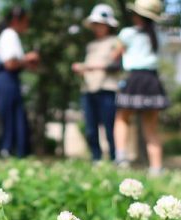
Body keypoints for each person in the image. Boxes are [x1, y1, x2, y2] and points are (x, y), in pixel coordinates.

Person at [113, 0, 168, 174]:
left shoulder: (127, 33)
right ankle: (156, 169)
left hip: (134, 79)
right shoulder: (160, 36)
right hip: (152, 80)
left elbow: (116, 54)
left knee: (122, 118)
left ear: (137, 15)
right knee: (151, 128)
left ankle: (121, 158)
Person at [72, 4, 121, 163]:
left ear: (108, 25)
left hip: (107, 89)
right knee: (91, 128)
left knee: (110, 127)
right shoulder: (91, 46)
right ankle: (96, 158)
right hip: (89, 89)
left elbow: (117, 65)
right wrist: (82, 69)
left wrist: (92, 67)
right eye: (96, 24)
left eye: (100, 24)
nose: (97, 27)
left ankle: (115, 158)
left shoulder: (115, 42)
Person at [0, 6, 40, 158]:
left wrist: (26, 63)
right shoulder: (9, 35)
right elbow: (9, 63)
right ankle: (8, 150)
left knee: (17, 115)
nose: (27, 25)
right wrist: (28, 58)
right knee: (11, 116)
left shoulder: (11, 36)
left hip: (10, 79)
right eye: (25, 22)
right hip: (6, 79)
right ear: (16, 21)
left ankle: (19, 152)